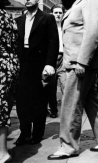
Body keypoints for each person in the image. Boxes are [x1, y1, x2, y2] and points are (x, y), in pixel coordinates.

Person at [48, 0, 98, 160]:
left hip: (79, 63)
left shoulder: (90, 1)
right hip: (78, 61)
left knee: (71, 103)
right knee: (89, 100)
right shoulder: (79, 2)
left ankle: (68, 146)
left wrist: (82, 61)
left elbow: (92, 32)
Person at [15, 0, 59, 145]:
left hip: (40, 63)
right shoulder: (18, 20)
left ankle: (37, 134)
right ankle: (24, 133)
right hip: (22, 63)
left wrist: (49, 64)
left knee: (39, 100)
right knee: (22, 101)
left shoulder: (47, 18)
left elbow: (54, 41)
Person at [0, 0, 19, 162]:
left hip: (1, 64)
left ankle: (2, 153)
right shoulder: (8, 16)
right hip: (10, 64)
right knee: (4, 106)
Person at [47, 4, 66, 118]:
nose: (58, 15)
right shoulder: (48, 27)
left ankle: (66, 111)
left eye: (60, 13)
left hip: (64, 58)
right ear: (52, 13)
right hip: (52, 58)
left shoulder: (65, 27)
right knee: (51, 86)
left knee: (65, 85)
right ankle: (53, 109)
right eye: (56, 12)